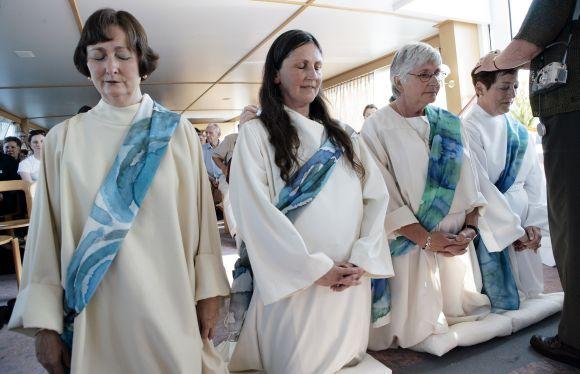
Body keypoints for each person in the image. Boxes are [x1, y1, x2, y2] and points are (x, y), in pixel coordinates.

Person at [8, 8, 230, 374]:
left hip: (168, 304)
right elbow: (45, 234)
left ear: (141, 60)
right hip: (96, 314)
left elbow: (204, 223)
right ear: (87, 64)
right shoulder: (64, 140)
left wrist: (208, 294)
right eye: (98, 56)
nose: (110, 67)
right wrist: (46, 326)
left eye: (122, 55)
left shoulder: (176, 134)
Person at [227, 29, 393, 373]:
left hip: (349, 279)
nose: (312, 75)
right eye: (301, 65)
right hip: (294, 285)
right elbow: (253, 212)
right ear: (275, 74)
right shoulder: (256, 135)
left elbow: (376, 198)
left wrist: (361, 257)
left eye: (317, 66)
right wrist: (315, 270)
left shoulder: (344, 135)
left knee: (348, 360)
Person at [363, 42, 513, 356]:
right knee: (415, 326)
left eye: (437, 74)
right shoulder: (376, 128)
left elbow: (473, 185)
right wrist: (428, 240)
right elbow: (381, 197)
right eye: (424, 75)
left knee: (461, 312)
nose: (434, 82)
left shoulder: (449, 123)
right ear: (399, 81)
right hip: (411, 245)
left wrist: (469, 232)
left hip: (455, 242)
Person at [474, 0, 580, 367]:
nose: (511, 94)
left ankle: (576, 338)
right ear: (478, 89)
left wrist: (496, 61)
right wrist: (518, 226)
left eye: (513, 86)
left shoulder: (517, 129)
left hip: (571, 113)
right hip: (495, 225)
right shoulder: (468, 128)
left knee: (572, 225)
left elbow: (528, 45)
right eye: (502, 86)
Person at [211, 105, 257, 241]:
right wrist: (224, 169)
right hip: (228, 178)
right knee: (229, 196)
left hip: (249, 178)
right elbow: (215, 155)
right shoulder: (231, 139)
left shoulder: (259, 139)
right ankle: (236, 234)